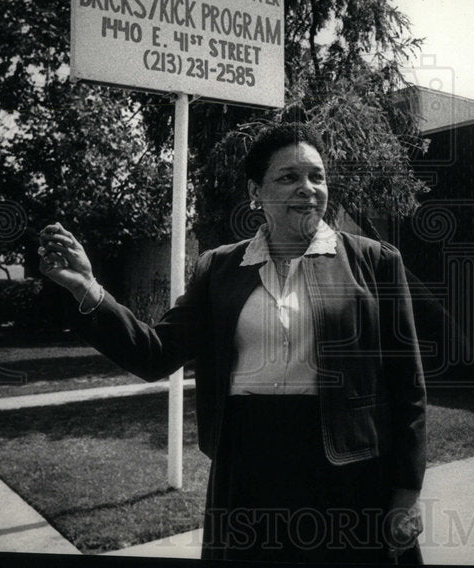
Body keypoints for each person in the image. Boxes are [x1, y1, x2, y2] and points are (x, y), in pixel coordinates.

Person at [38, 122, 426, 563]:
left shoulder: (375, 262)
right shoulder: (220, 268)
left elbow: (407, 388)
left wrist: (406, 491)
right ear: (255, 191)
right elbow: (154, 354)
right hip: (246, 468)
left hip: (348, 473)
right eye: (288, 177)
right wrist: (87, 288)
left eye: (316, 176)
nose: (308, 189)